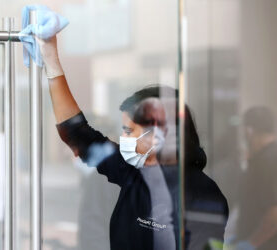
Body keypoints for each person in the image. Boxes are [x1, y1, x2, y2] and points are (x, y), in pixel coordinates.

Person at [30, 20, 228, 249]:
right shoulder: (135, 174)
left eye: (129, 130)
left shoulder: (204, 197)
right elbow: (77, 133)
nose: (124, 139)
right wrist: (51, 58)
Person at [230, 106, 277, 250]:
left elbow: (274, 211)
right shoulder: (262, 157)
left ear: (249, 130)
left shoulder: (269, 160)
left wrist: (252, 243)